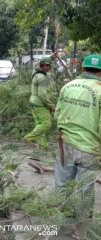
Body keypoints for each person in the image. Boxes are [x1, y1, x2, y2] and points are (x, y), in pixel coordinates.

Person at [54, 55, 101, 239]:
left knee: (61, 186)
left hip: (65, 145)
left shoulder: (67, 86)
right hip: (90, 149)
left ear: (82, 69)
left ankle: (54, 224)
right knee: (85, 191)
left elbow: (57, 114)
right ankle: (79, 231)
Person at [23, 56, 55, 149]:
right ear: (45, 66)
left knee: (40, 125)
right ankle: (28, 138)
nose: (50, 68)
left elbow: (38, 64)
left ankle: (43, 146)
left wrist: (51, 58)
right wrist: (51, 105)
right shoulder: (42, 78)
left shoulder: (35, 72)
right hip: (40, 104)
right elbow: (42, 95)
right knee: (46, 124)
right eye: (49, 66)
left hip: (33, 102)